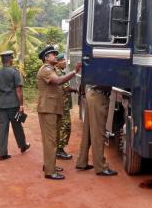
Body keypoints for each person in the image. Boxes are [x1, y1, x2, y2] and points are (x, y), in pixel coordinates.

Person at [36, 46, 80, 180]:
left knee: (53, 140)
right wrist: (74, 72)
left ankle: (49, 165)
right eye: (53, 54)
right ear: (46, 58)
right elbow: (58, 81)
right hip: (48, 109)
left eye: (56, 54)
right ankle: (50, 171)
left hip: (54, 109)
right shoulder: (46, 69)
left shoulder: (52, 69)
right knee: (50, 141)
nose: (56, 56)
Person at [0, 50, 30, 161]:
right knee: (17, 126)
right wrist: (21, 105)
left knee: (2, 129)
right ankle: (22, 145)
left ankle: (3, 153)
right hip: (13, 105)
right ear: (11, 59)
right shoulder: (15, 72)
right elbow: (19, 90)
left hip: (1, 106)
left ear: (2, 60)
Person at [76, 85, 118, 176]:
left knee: (87, 132)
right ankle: (101, 167)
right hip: (99, 95)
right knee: (98, 133)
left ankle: (82, 162)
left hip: (93, 93)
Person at [55, 53, 74, 160]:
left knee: (63, 126)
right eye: (62, 60)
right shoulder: (59, 73)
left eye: (64, 60)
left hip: (63, 104)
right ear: (57, 63)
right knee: (65, 126)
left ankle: (59, 149)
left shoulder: (60, 72)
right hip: (63, 105)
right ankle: (59, 150)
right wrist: (75, 90)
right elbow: (66, 88)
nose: (64, 62)